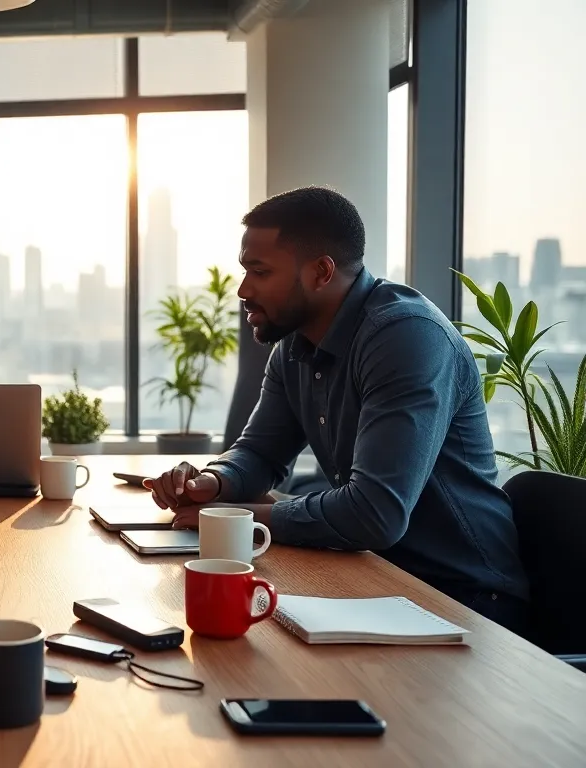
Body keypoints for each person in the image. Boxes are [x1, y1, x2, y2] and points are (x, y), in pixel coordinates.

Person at [145, 186, 529, 632]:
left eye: (260, 272)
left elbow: (374, 515)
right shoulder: (294, 346)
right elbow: (259, 453)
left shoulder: (405, 338)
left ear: (321, 272)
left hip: (465, 599)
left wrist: (241, 517)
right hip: (374, 573)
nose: (243, 290)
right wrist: (214, 483)